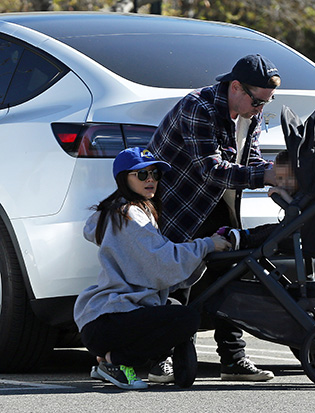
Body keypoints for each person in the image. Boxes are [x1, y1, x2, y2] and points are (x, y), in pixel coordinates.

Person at [147, 54, 280, 382]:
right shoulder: (199, 108)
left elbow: (252, 158)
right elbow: (210, 169)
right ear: (235, 87)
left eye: (267, 102)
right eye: (257, 101)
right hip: (179, 204)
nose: (261, 109)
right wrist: (266, 177)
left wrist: (282, 177)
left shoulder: (250, 111)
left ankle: (232, 360)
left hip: (217, 200)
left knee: (232, 271)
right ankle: (157, 359)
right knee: (179, 279)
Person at [73, 147, 231, 390]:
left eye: (155, 174)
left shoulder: (130, 211)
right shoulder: (129, 215)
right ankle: (117, 361)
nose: (150, 180)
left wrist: (197, 252)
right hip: (109, 318)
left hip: (106, 319)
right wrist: (206, 245)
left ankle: (111, 362)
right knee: (185, 318)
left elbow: (161, 268)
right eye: (142, 174)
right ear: (123, 178)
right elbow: (162, 264)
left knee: (175, 308)